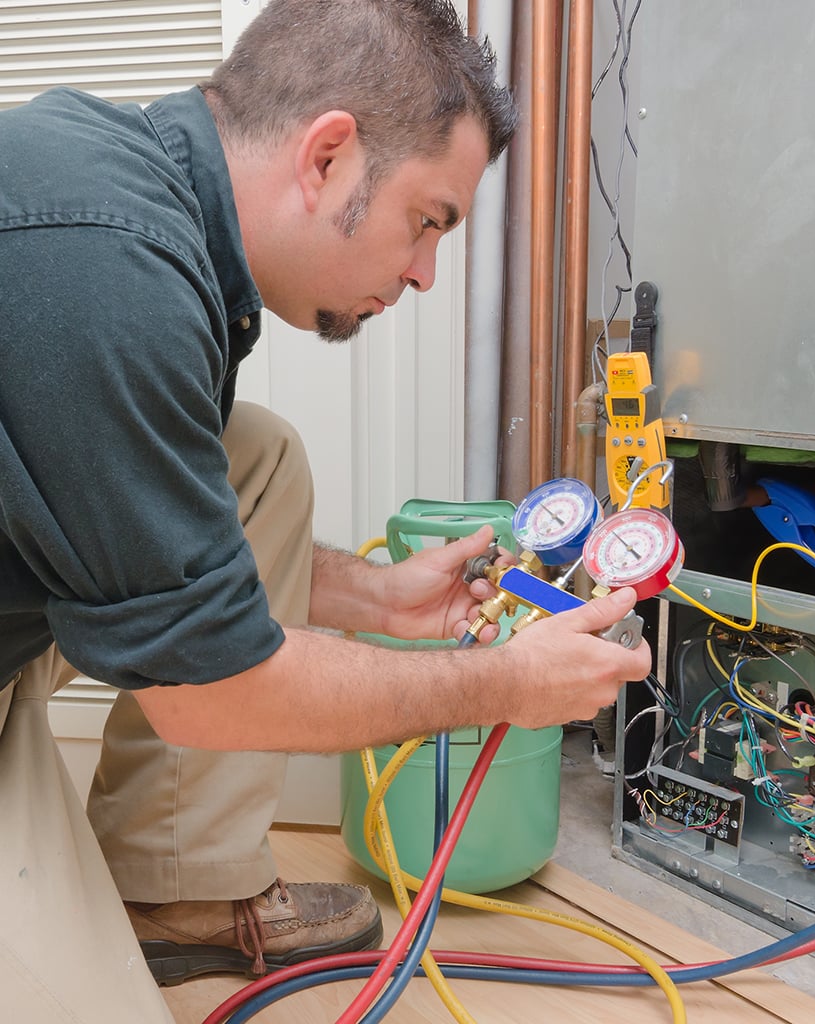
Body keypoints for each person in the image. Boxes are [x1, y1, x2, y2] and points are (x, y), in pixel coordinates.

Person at [0, 1, 652, 1020]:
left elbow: (149, 534)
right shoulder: (112, 271)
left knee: (253, 455)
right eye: (427, 220)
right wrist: (504, 684)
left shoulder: (144, 201)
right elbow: (209, 691)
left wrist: (379, 600)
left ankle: (173, 891)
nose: (425, 272)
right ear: (328, 155)